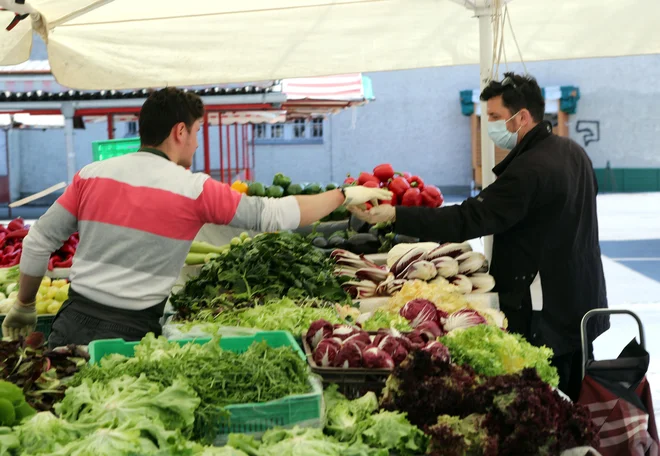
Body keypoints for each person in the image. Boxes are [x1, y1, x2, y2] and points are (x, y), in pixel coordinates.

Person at [2, 87, 391, 348]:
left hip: (72, 319)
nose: (198, 140)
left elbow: (38, 243)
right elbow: (276, 215)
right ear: (180, 131)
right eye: (198, 131)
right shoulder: (193, 189)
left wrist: (23, 305)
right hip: (133, 333)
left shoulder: (91, 175)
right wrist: (344, 195)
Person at [349, 72, 609, 401]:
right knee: (573, 395)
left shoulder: (530, 169)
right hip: (580, 301)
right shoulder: (573, 152)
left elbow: (470, 218)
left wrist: (396, 215)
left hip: (543, 312)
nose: (491, 127)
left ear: (523, 117)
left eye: (496, 118)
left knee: (545, 397)